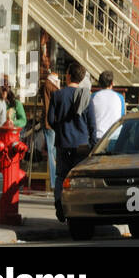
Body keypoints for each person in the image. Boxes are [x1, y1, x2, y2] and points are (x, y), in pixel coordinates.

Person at [48, 61, 98, 221]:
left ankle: (59, 203)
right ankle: (79, 208)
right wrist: (93, 142)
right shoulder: (86, 97)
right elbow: (92, 124)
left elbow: (50, 119)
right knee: (80, 178)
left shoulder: (57, 95)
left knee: (61, 176)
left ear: (68, 75)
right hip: (82, 144)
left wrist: (60, 129)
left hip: (63, 142)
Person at [40, 69, 61, 192]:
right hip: (50, 123)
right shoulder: (49, 84)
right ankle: (54, 181)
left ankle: (55, 180)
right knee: (52, 153)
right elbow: (58, 95)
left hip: (52, 123)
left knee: (54, 152)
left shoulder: (50, 84)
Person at [90, 71, 124, 141]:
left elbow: (89, 117)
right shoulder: (120, 97)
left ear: (99, 83)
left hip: (98, 136)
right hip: (114, 135)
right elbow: (122, 116)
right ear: (112, 83)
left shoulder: (93, 96)